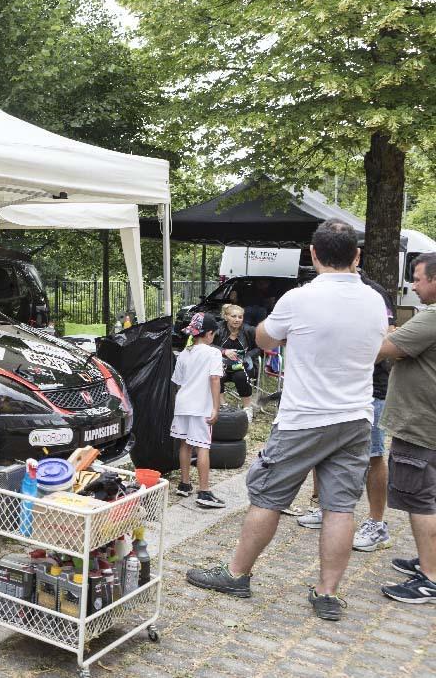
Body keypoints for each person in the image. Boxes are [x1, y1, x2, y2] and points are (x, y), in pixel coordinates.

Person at [186, 219, 388, 621]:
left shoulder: (298, 299)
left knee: (268, 496)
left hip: (303, 418)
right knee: (340, 507)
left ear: (313, 255)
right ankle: (327, 594)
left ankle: (236, 574)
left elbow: (263, 340)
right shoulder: (374, 301)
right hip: (355, 418)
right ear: (357, 256)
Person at [292, 271, 397, 544]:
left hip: (369, 390)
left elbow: (388, 338)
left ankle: (377, 523)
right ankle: (325, 508)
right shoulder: (320, 292)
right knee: (324, 451)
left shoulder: (373, 294)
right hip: (327, 391)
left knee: (373, 455)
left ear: (354, 259)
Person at [375, 251, 436, 604]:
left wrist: (393, 336)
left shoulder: (429, 320)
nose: (413, 285)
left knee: (420, 501)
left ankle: (429, 577)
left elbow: (384, 348)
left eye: (418, 278)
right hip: (428, 424)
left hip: (419, 424)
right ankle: (429, 561)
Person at [171, 312, 226, 508]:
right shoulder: (213, 353)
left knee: (185, 444)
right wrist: (215, 407)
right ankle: (204, 492)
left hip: (182, 404)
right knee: (203, 446)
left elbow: (177, 383)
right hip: (201, 407)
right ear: (209, 333)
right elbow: (214, 379)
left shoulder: (184, 353)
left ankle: (184, 484)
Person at [213, 303, 261, 417]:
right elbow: (207, 344)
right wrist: (224, 351)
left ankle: (247, 408)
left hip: (243, 365)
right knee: (216, 375)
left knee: (240, 376)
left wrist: (247, 356)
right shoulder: (217, 328)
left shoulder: (249, 330)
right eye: (233, 316)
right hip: (221, 365)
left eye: (240, 317)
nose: (237, 319)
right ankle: (223, 405)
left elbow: (259, 347)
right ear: (226, 317)